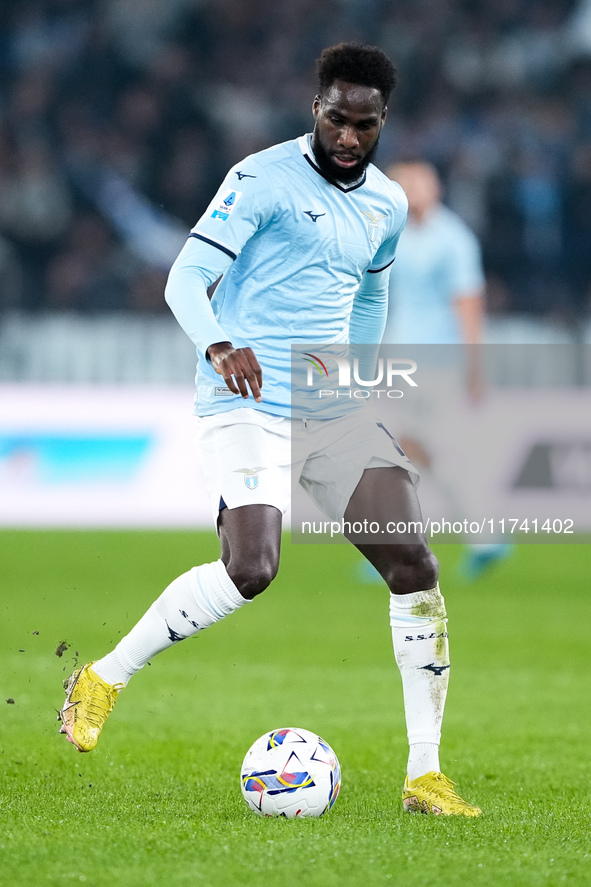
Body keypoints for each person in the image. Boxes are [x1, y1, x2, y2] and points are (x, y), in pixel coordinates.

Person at [58, 44, 480, 817]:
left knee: (413, 562)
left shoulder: (385, 204)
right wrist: (218, 341)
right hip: (243, 395)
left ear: (381, 120)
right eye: (333, 118)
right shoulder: (260, 177)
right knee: (252, 566)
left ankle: (425, 774)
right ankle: (103, 677)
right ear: (312, 107)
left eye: (362, 125)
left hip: (329, 407)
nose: (346, 138)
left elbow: (367, 297)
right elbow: (184, 275)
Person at [381, 159, 510, 579]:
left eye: (417, 182)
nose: (409, 189)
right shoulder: (393, 234)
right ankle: (473, 538)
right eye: (402, 183)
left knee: (416, 449)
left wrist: (475, 366)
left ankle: (474, 538)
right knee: (412, 450)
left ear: (434, 187)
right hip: (401, 359)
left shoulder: (453, 238)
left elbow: (469, 305)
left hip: (436, 361)